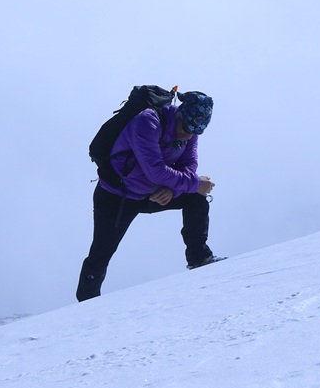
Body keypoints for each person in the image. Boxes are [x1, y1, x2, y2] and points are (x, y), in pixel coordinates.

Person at [75, 90, 222, 302]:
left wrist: (173, 190)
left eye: (197, 131)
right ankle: (86, 305)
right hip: (117, 197)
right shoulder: (148, 122)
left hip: (152, 193)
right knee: (101, 253)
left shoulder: (191, 128)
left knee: (196, 199)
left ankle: (200, 258)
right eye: (187, 129)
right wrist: (194, 184)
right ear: (179, 114)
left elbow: (189, 165)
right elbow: (155, 170)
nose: (189, 136)